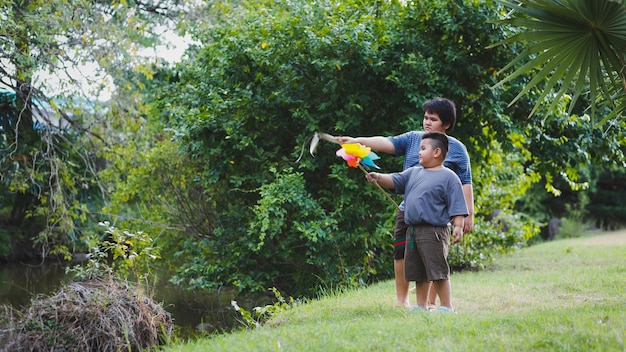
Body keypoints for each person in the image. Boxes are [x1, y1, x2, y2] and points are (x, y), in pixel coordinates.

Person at [337, 97, 474, 308]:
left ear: (446, 124)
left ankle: (433, 302)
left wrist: (467, 216)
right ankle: (403, 300)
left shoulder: (457, 149)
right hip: (408, 210)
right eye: (426, 117)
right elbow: (386, 142)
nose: (427, 122)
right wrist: (356, 141)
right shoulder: (413, 139)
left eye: (433, 119)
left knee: (431, 256)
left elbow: (464, 183)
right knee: (402, 253)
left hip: (436, 215)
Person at [365, 132, 468, 312]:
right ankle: (420, 305)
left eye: (422, 149)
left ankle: (446, 306)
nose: (418, 152)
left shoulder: (449, 177)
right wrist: (379, 177)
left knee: (437, 270)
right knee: (419, 272)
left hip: (434, 231)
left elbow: (457, 204)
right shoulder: (413, 172)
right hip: (413, 230)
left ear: (436, 152)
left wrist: (458, 226)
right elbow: (395, 179)